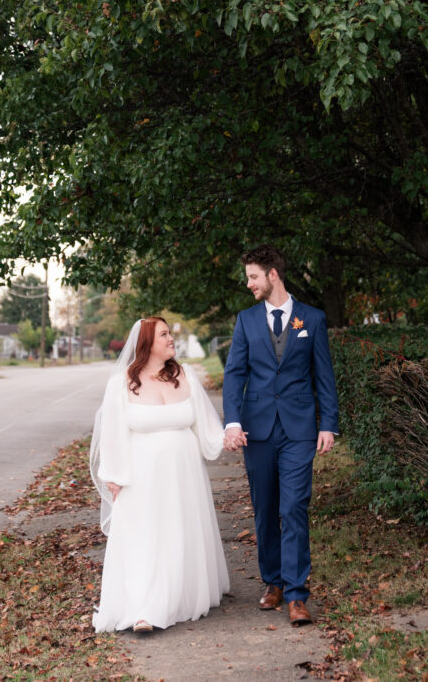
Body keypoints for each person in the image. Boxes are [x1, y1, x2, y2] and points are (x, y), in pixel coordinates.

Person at [222, 245, 340, 626]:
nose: (249, 284)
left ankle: (296, 594)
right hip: (256, 429)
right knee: (265, 510)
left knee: (293, 508)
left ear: (273, 275)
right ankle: (272, 582)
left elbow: (324, 376)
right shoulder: (246, 320)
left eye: (253, 277)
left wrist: (328, 423)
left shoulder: (312, 319)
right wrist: (232, 421)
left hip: (298, 430)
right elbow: (235, 374)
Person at [90, 317, 229, 633]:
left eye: (170, 333)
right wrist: (114, 475)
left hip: (185, 474)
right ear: (147, 343)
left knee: (179, 531)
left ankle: (180, 593)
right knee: (147, 536)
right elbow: (112, 433)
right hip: (143, 475)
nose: (171, 338)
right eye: (164, 334)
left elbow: (207, 425)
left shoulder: (185, 375)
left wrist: (228, 437)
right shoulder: (122, 383)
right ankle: (143, 610)